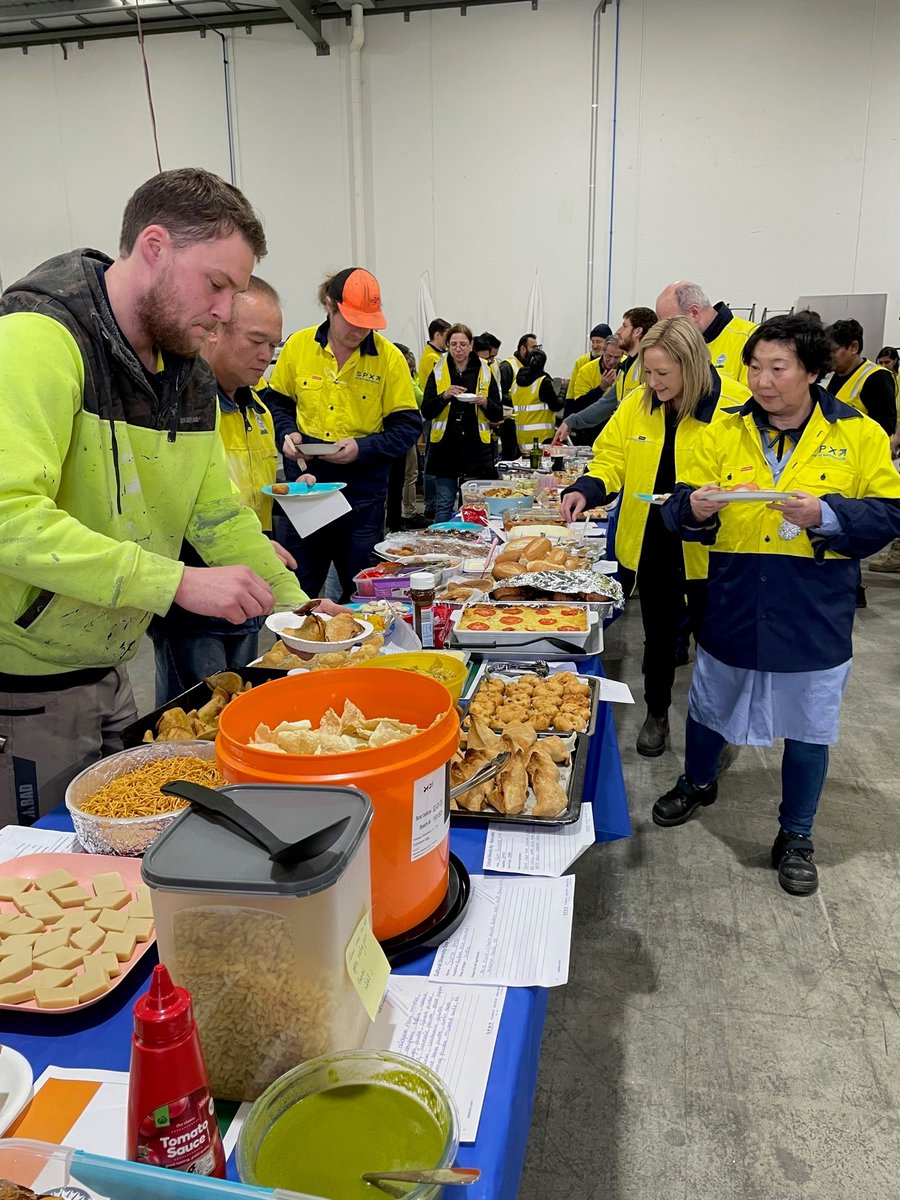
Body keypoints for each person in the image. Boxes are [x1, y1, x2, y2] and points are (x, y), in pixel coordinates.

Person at [0, 167, 309, 823]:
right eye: (217, 284)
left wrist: (300, 616)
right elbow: (9, 519)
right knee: (54, 892)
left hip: (110, 670)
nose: (225, 311)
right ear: (154, 247)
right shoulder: (38, 341)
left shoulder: (187, 373)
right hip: (27, 688)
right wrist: (174, 583)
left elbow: (218, 515)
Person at [653, 312, 900, 896]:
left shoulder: (858, 435)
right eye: (755, 367)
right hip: (737, 593)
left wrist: (828, 515)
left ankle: (796, 834)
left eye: (778, 368)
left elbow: (891, 513)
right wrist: (696, 508)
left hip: (812, 606)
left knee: (810, 726)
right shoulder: (721, 431)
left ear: (812, 372)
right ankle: (696, 781)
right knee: (711, 702)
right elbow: (675, 506)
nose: (762, 381)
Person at [560, 318, 750, 756]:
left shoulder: (735, 408)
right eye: (648, 371)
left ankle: (716, 728)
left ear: (693, 365)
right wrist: (585, 488)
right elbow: (610, 458)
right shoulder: (636, 405)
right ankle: (657, 712)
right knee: (659, 638)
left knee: (717, 645)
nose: (652, 382)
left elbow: (750, 474)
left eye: (663, 374)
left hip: (714, 548)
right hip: (655, 542)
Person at [148, 275, 322, 705]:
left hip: (252, 577)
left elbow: (247, 495)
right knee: (195, 716)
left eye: (274, 346)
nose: (266, 357)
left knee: (241, 698)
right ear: (213, 329)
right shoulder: (181, 412)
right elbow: (187, 509)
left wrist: (290, 491)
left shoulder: (256, 406)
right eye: (256, 341)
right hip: (195, 599)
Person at [266, 268, 422, 602]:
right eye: (351, 320)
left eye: (366, 323)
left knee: (362, 594)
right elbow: (277, 401)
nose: (358, 331)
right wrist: (287, 434)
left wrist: (362, 449)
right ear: (329, 305)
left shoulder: (389, 360)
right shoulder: (298, 346)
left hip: (361, 498)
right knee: (296, 592)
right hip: (305, 493)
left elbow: (408, 427)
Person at [420, 323, 503, 521]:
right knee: (444, 505)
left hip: (476, 450)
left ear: (471, 345)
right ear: (447, 345)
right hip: (445, 448)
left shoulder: (485, 370)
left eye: (463, 344)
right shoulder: (438, 370)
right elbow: (427, 410)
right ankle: (440, 547)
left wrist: (484, 402)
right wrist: (444, 396)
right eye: (454, 344)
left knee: (474, 509)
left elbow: (497, 413)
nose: (458, 349)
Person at [655, 281, 756, 384]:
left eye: (670, 322)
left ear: (694, 313)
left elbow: (753, 397)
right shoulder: (676, 344)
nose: (665, 331)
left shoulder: (751, 339)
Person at [822, 320, 896, 438]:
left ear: (853, 347)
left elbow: (885, 427)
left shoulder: (877, 378)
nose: (827, 356)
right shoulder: (837, 375)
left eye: (833, 350)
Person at [574, 307, 657, 412]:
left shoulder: (648, 367)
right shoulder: (625, 367)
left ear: (637, 331)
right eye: (609, 356)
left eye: (624, 326)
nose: (619, 331)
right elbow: (608, 403)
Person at [385, 342, 425, 532]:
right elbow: (419, 398)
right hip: (400, 435)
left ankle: (395, 518)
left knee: (398, 479)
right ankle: (405, 515)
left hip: (395, 433)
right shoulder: (401, 378)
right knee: (407, 476)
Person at [558, 335, 621, 444]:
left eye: (617, 358)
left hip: (615, 428)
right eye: (608, 356)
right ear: (603, 351)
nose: (611, 361)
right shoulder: (586, 371)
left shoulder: (625, 368)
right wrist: (600, 388)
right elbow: (579, 404)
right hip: (590, 430)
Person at [509, 348, 563, 452]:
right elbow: (556, 406)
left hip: (522, 440)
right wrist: (563, 390)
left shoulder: (516, 383)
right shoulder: (543, 382)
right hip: (542, 440)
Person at [564, 322, 613, 407]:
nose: (594, 345)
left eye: (598, 342)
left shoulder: (620, 361)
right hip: (584, 407)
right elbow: (571, 393)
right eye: (593, 341)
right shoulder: (581, 361)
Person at [417, 318, 451, 388]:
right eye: (447, 337)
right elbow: (441, 382)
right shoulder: (432, 357)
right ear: (437, 335)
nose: (449, 341)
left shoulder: (434, 353)